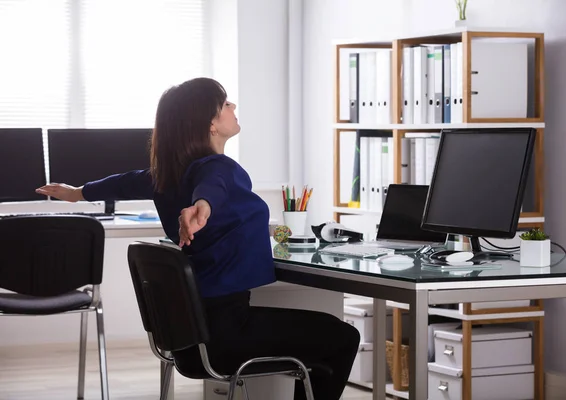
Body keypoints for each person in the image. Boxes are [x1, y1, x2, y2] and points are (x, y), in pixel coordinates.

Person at [36, 77, 360, 400]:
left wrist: (77, 193)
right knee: (342, 337)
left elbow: (125, 183)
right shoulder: (219, 168)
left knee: (324, 337)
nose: (233, 107)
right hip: (228, 333)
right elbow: (212, 184)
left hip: (190, 340)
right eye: (225, 104)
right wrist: (202, 206)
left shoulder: (165, 175)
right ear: (210, 125)